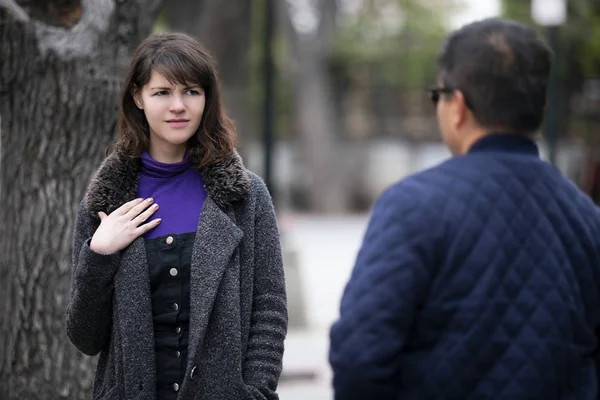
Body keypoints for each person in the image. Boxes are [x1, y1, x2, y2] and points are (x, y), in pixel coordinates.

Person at [329, 18, 600, 400]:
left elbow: (359, 357)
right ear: (541, 105)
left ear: (458, 106)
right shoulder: (587, 219)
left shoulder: (412, 205)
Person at [65, 32, 288, 400]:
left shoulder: (245, 196)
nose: (178, 106)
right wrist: (99, 255)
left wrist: (255, 391)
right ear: (138, 97)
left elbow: (269, 308)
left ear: (207, 98)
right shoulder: (106, 201)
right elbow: (85, 338)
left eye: (191, 91)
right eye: (162, 93)